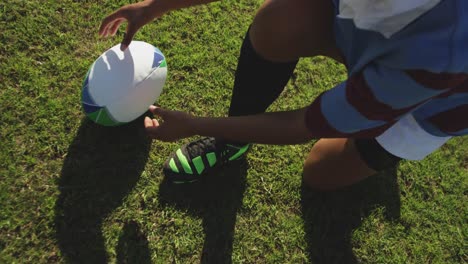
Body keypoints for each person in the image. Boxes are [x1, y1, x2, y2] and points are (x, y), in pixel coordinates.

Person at [100, 0, 468, 190]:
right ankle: (231, 143)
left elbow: (303, 123)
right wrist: (156, 5)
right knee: (281, 21)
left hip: (434, 102)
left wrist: (192, 124)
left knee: (320, 176)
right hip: (394, 45)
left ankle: (376, 119)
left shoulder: (443, 53)